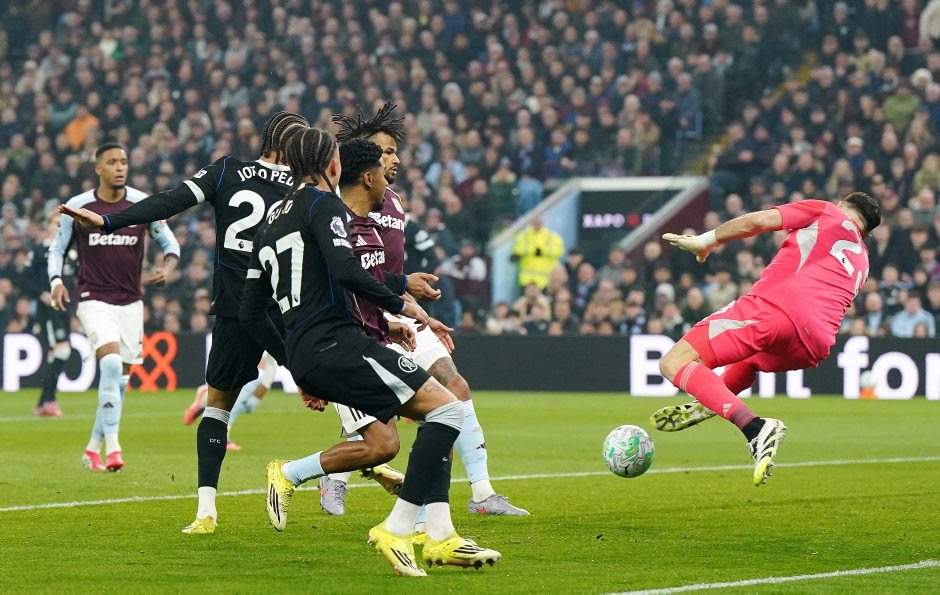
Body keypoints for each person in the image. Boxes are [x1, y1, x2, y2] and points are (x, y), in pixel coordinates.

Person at [241, 127, 500, 576]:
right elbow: (347, 271)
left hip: (312, 351)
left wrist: (294, 364)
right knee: (448, 409)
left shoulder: (271, 220)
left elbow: (250, 312)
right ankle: (399, 529)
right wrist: (403, 306)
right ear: (333, 165)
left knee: (425, 420)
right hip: (340, 343)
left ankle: (440, 535)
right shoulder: (324, 204)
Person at [58, 111, 308, 534]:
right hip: (286, 307)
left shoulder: (227, 169)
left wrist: (109, 219)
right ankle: (337, 475)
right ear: (294, 148)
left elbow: (170, 201)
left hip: (234, 309)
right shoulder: (305, 188)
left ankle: (206, 512)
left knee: (218, 408)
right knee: (341, 389)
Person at [325, 102, 528, 517]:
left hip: (400, 311)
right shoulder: (337, 207)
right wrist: (402, 286)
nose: (395, 159)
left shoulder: (394, 202)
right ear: (364, 164)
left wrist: (407, 293)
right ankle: (333, 474)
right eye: (385, 152)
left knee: (454, 388)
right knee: (382, 424)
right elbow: (352, 273)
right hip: (361, 315)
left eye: (395, 151)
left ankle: (482, 494)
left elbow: (380, 266)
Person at [649, 192, 881, 486]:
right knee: (750, 360)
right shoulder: (863, 261)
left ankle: (754, 427)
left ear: (842, 204)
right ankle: (711, 400)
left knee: (673, 363)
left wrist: (706, 240)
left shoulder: (826, 211)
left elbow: (756, 222)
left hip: (776, 309)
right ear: (866, 233)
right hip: (813, 345)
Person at [50, 142, 181, 472]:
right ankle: (114, 449)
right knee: (109, 364)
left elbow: (170, 243)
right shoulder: (79, 206)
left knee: (119, 383)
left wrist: (167, 268)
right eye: (112, 162)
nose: (120, 167)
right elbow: (57, 248)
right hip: (93, 298)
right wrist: (56, 280)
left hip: (131, 302)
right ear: (98, 169)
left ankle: (93, 448)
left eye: (123, 161)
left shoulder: (142, 203)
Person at [29, 212, 71, 416]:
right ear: (48, 226)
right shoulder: (39, 251)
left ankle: (43, 403)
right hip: (48, 310)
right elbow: (26, 279)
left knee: (57, 354)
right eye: (56, 223)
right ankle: (49, 401)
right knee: (61, 352)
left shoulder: (69, 251)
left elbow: (75, 279)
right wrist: (42, 294)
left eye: (62, 224)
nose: (59, 227)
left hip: (64, 310)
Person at [510, 215, 565, 290]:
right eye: (535, 222)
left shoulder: (551, 235)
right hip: (527, 280)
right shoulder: (524, 235)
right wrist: (534, 250)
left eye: (539, 222)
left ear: (543, 222)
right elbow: (517, 249)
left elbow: (559, 251)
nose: (537, 224)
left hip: (546, 280)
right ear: (531, 223)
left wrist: (542, 251)